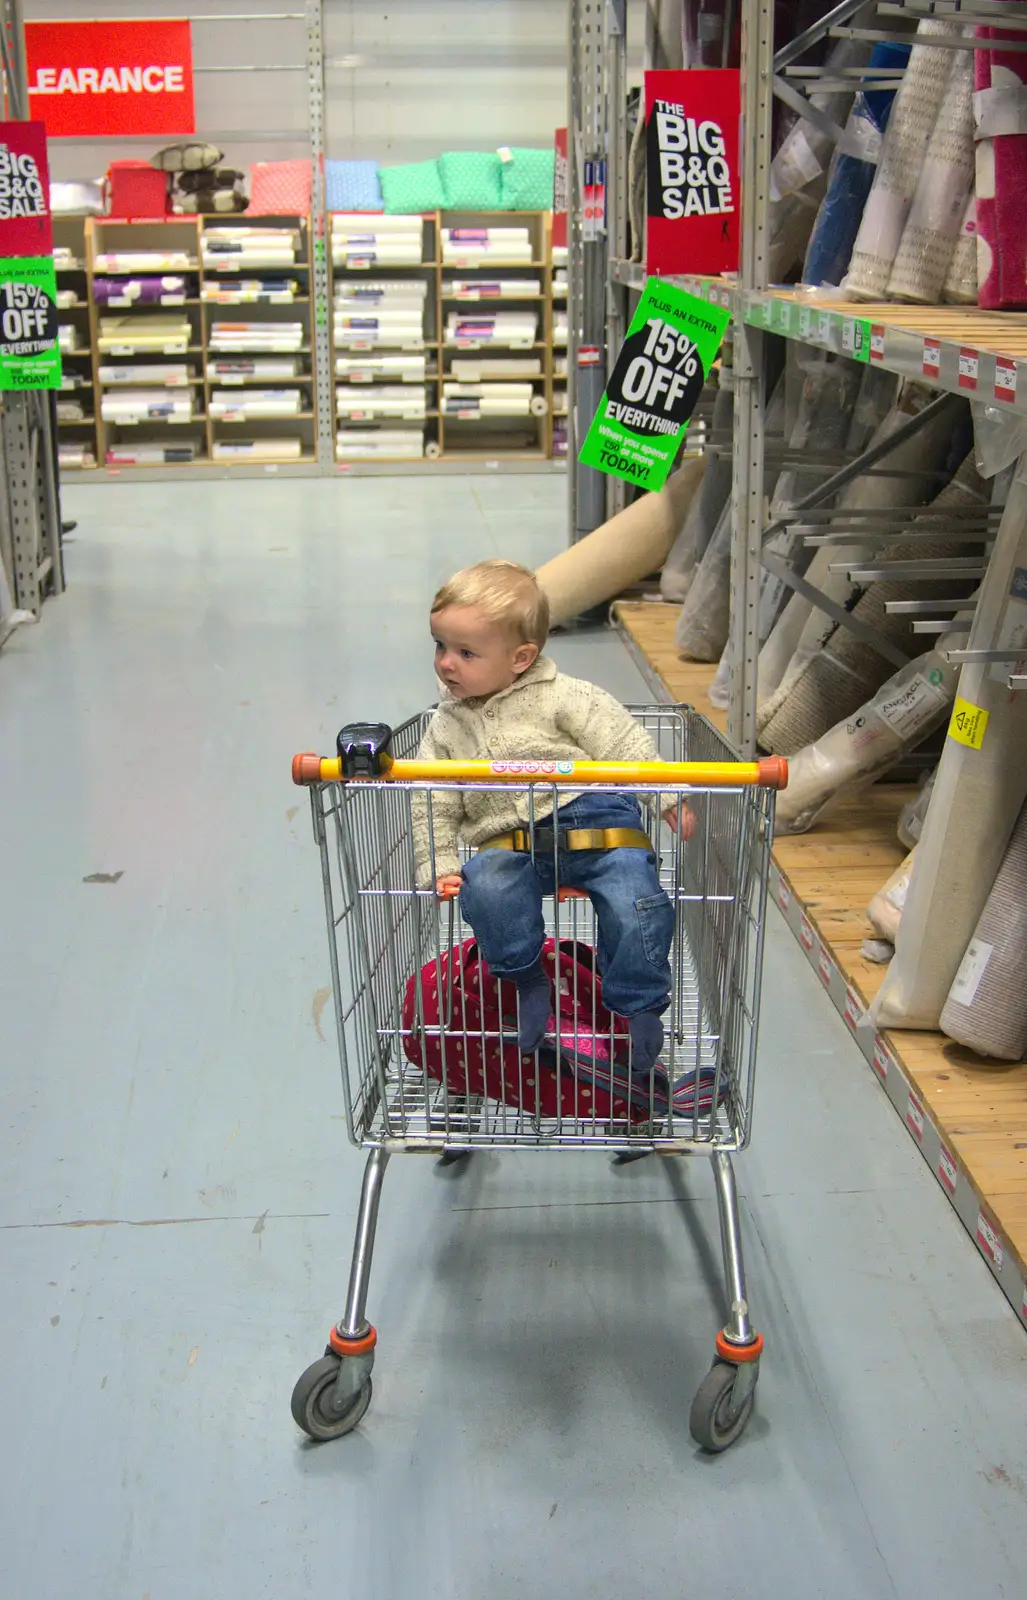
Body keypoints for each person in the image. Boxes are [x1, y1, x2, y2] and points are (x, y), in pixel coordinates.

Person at [411, 559, 695, 1071]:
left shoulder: (567, 697)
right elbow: (433, 796)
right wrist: (440, 862)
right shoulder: (446, 727)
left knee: (637, 902)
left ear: (521, 657)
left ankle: (638, 1006)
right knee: (487, 890)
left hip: (598, 825)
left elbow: (622, 741)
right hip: (510, 843)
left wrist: (667, 794)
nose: (446, 664)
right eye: (441, 646)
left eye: (465, 652)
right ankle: (526, 978)